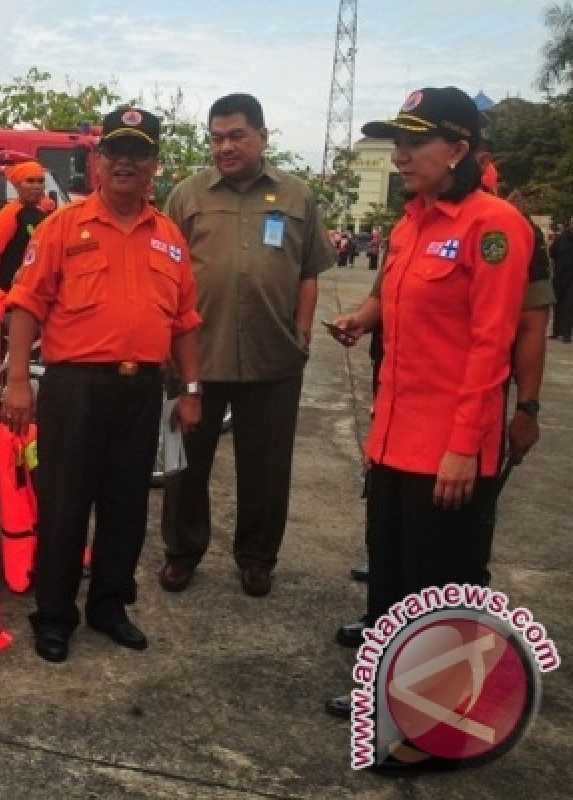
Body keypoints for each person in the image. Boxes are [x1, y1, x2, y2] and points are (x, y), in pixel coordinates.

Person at [323, 88, 531, 715]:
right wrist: (363, 317)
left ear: (460, 148)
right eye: (398, 142)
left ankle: (431, 720)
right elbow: (400, 301)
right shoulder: (414, 220)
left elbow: (492, 345)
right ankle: (389, 696)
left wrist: (465, 447)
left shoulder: (494, 227)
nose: (401, 156)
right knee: (390, 578)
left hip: (446, 446)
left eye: (417, 143)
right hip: (393, 436)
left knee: (438, 588)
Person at [2, 107, 202, 663]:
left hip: (141, 394)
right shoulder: (61, 226)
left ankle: (110, 605)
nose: (125, 162)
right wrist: (18, 381)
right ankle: (55, 615)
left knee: (126, 507)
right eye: (115, 151)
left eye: (137, 153)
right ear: (98, 160)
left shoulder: (169, 236)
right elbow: (24, 305)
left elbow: (186, 321)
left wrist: (192, 390)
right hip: (75, 389)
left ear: (154, 165)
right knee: (64, 505)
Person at [159, 93, 333, 598]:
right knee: (184, 466)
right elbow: (165, 273)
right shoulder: (186, 195)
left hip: (272, 358)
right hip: (197, 355)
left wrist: (300, 334)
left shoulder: (297, 196)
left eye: (236, 136)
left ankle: (257, 558)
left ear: (262, 137)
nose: (225, 147)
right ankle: (181, 553)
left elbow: (308, 272)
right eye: (216, 138)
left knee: (266, 468)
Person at [0, 160, 51, 289]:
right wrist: (3, 277)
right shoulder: (10, 214)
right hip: (11, 288)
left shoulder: (42, 213)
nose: (37, 186)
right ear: (17, 186)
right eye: (30, 181)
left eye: (40, 181)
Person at [549, 216, 573, 342]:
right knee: (557, 305)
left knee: (568, 307)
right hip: (559, 277)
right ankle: (556, 331)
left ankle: (566, 334)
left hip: (571, 280)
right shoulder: (561, 238)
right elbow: (552, 253)